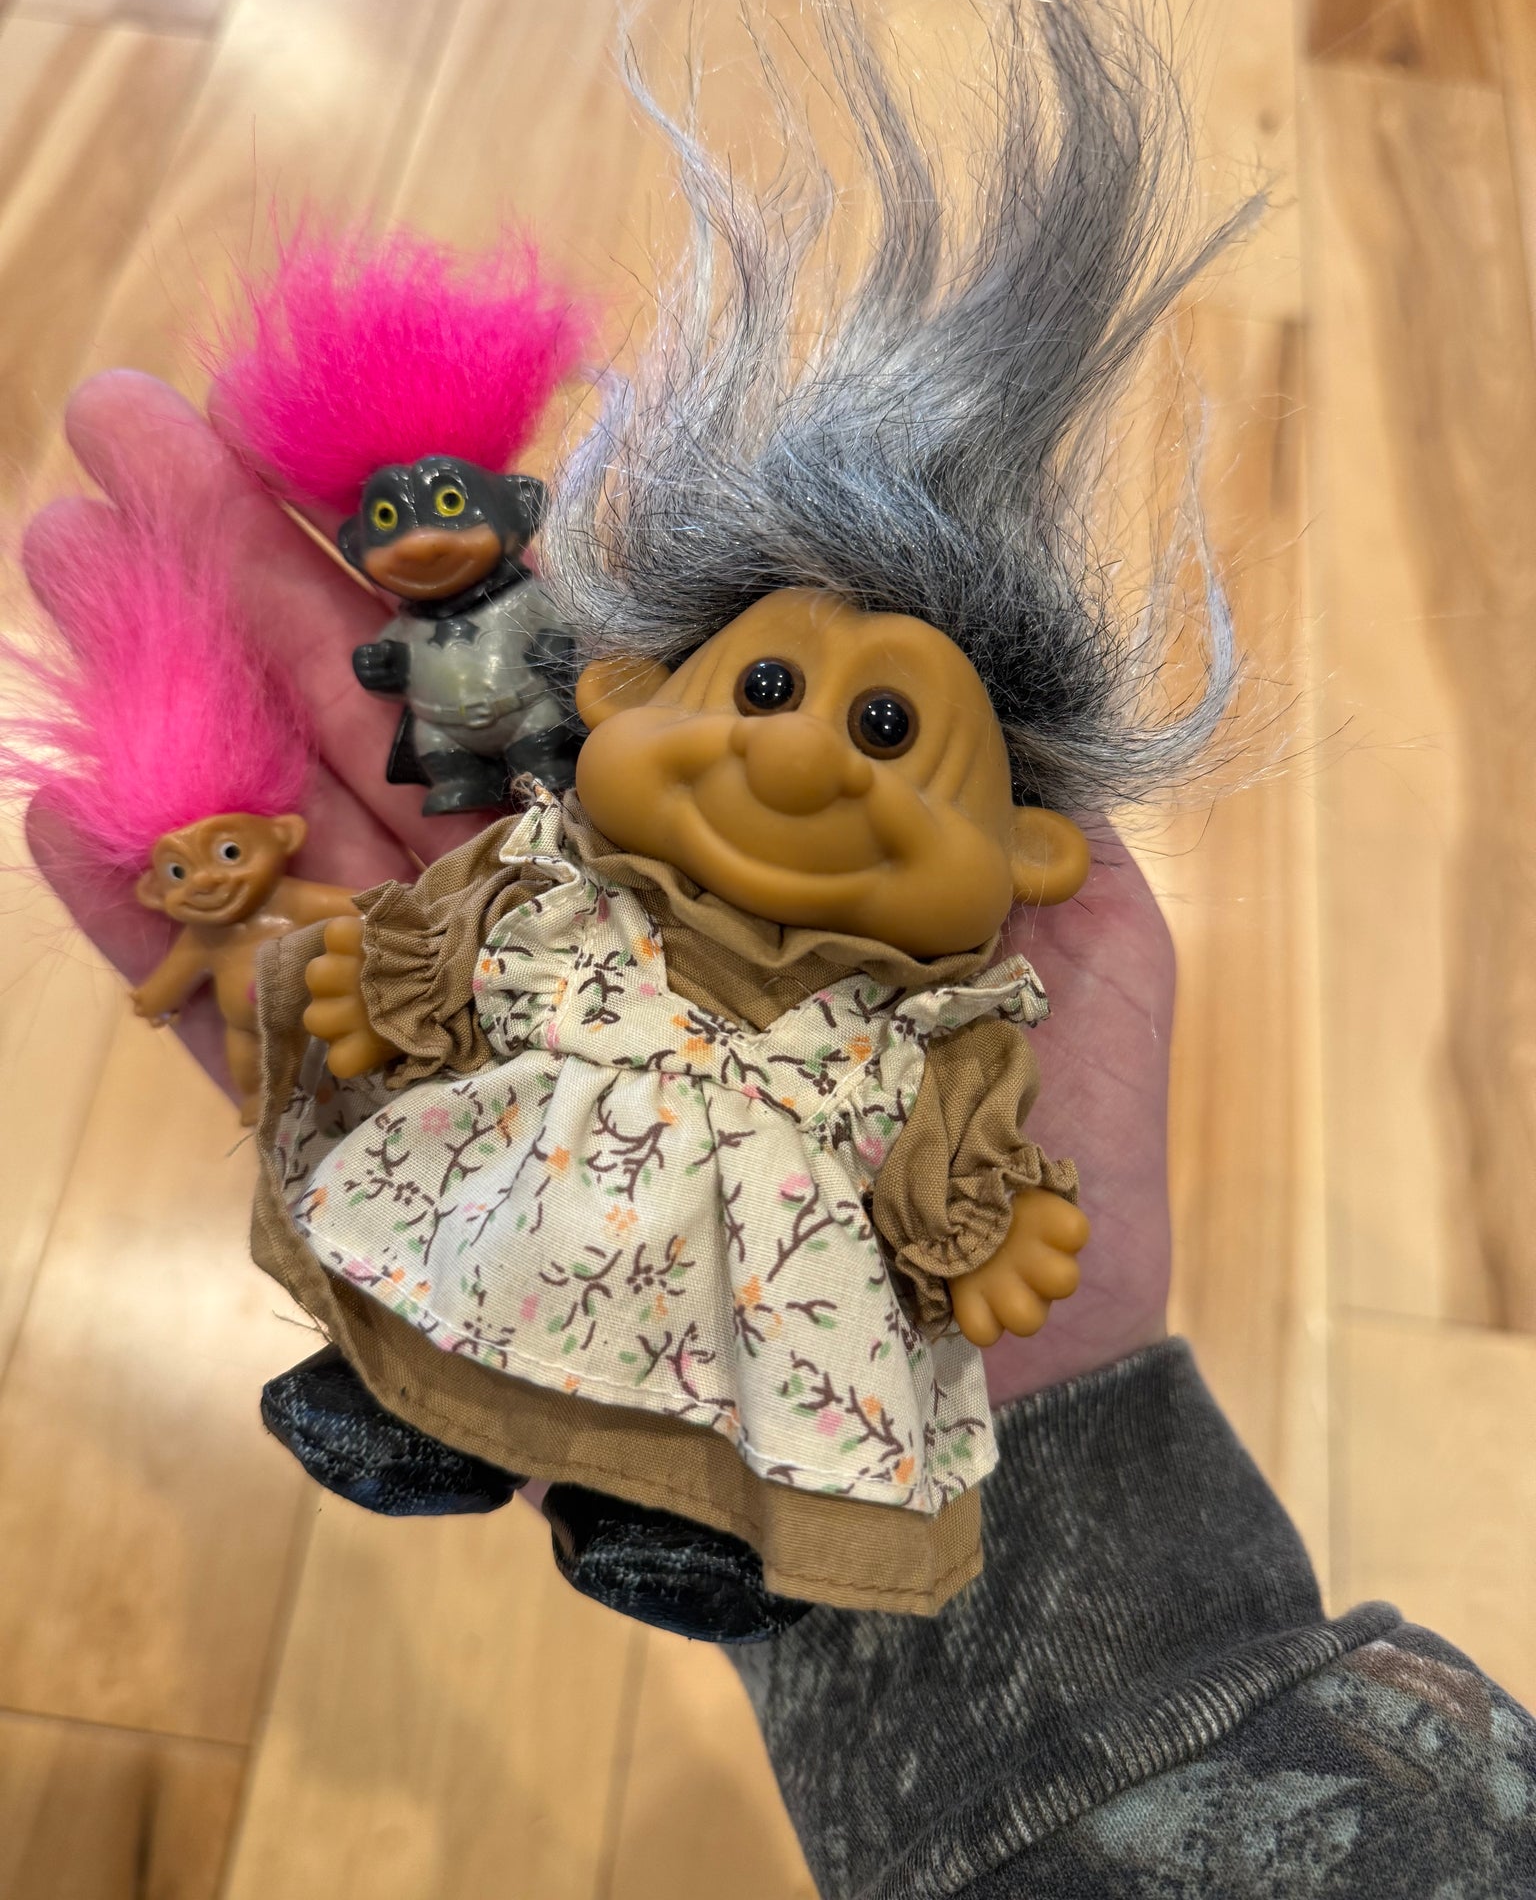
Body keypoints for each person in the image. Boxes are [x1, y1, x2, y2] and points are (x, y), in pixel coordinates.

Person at [31, 371, 1536, 1897]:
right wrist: (394, 986)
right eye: (764, 692)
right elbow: (464, 931)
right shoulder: (567, 878)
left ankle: (676, 1523)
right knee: (462, 1256)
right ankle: (407, 1402)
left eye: (887, 732)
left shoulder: (935, 1024)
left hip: (760, 1255)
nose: (804, 760)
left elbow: (957, 1140)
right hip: (542, 1161)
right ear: (620, 699)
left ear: (1023, 853)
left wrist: (983, 1232)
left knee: (731, 1387)